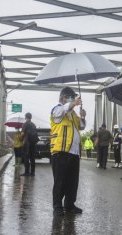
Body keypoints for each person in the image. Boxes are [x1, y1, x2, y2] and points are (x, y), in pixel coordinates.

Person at [50, 86, 86, 216]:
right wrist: (72, 104)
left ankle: (70, 204)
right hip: (61, 151)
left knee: (72, 181)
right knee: (60, 181)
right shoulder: (57, 109)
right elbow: (59, 112)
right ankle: (57, 207)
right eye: (71, 97)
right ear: (63, 98)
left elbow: (81, 126)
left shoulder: (73, 114)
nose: (73, 99)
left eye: (74, 97)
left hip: (74, 152)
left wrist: (82, 116)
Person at [20, 112, 38, 176]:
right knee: (32, 158)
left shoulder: (25, 124)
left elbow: (22, 134)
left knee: (26, 157)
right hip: (33, 143)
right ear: (31, 117)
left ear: (25, 117)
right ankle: (32, 172)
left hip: (27, 143)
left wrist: (21, 139)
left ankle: (27, 172)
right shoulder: (33, 125)